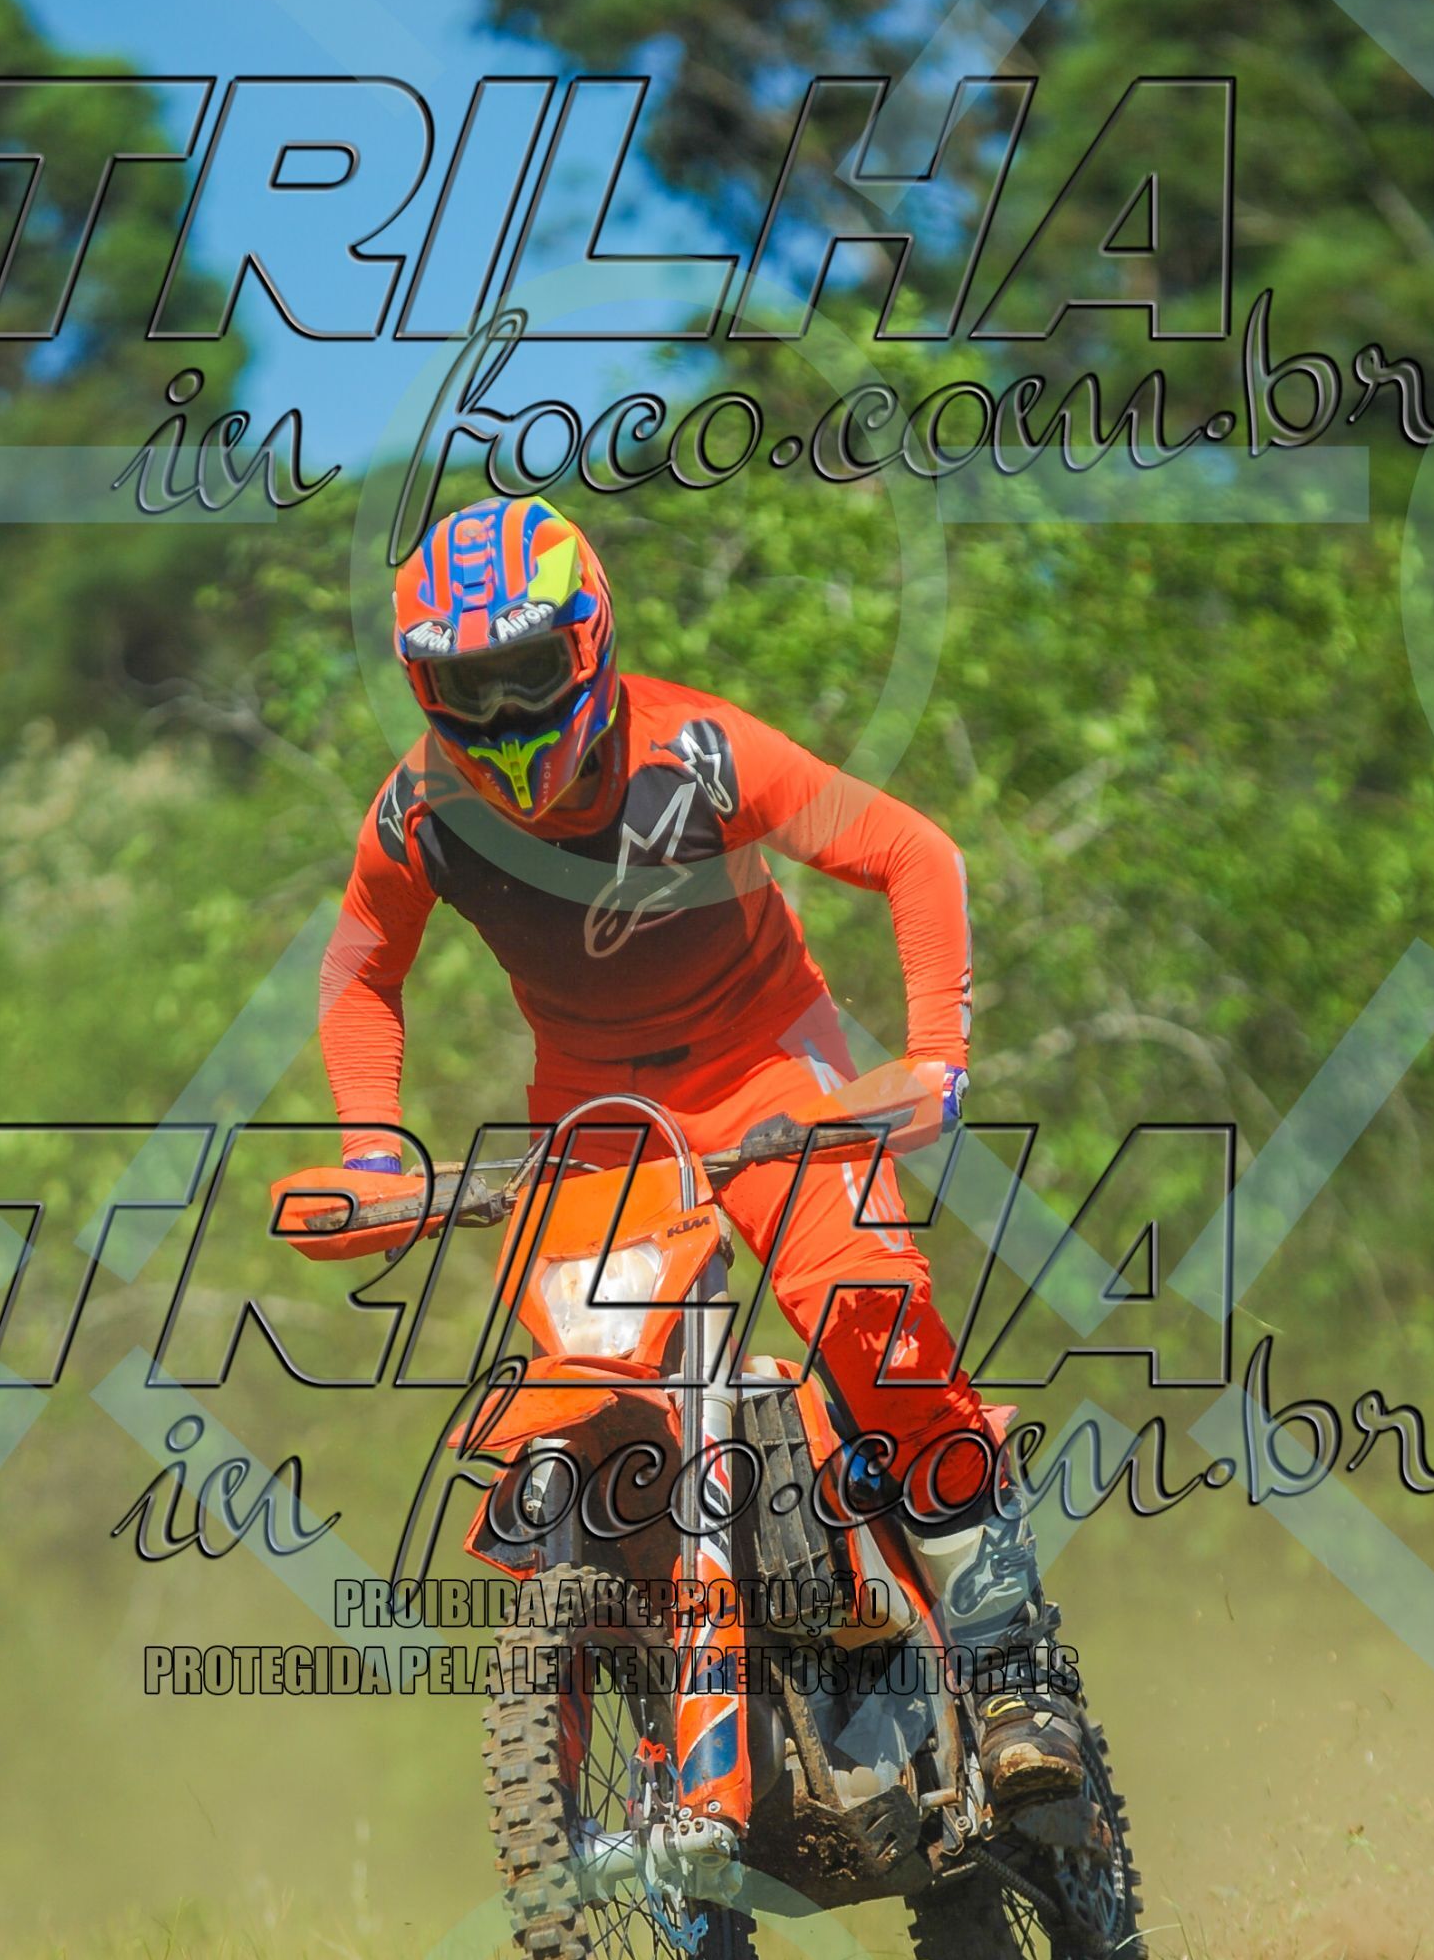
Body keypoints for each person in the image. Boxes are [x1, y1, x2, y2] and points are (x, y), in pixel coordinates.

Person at [316, 493, 1084, 1809]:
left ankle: (1015, 1677)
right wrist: (373, 1155)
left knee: (875, 1332)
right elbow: (358, 974)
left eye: (527, 670)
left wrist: (936, 1056)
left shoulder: (702, 752)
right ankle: (662, 1669)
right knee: (590, 1386)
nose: (504, 712)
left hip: (770, 1066)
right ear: (424, 688)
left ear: (589, 640)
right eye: (468, 686)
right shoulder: (418, 816)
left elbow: (910, 850)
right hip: (599, 1120)